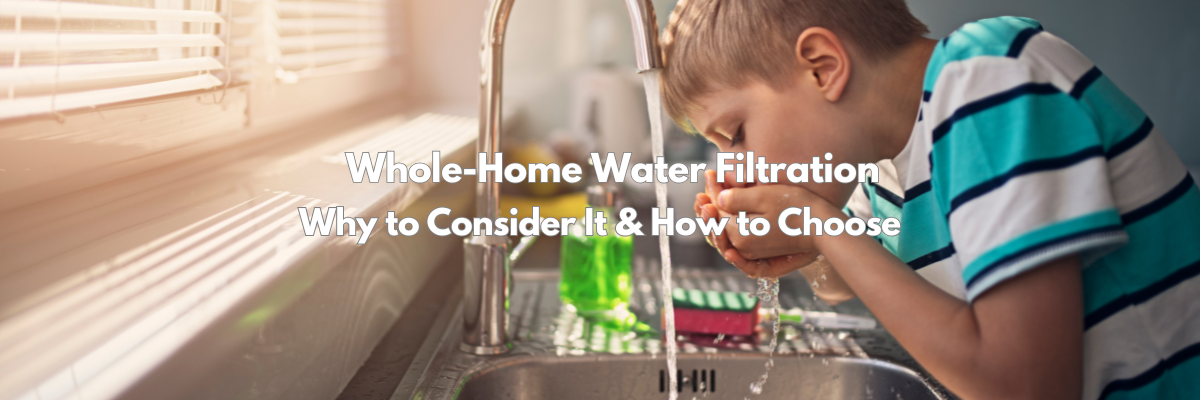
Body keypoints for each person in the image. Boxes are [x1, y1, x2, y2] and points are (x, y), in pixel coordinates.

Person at [663, 1, 1200, 399]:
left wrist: (821, 226)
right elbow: (843, 281)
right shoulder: (884, 156)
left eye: (736, 134)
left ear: (822, 67)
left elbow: (1026, 387)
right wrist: (798, 247)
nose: (733, 169)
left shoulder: (987, 80)